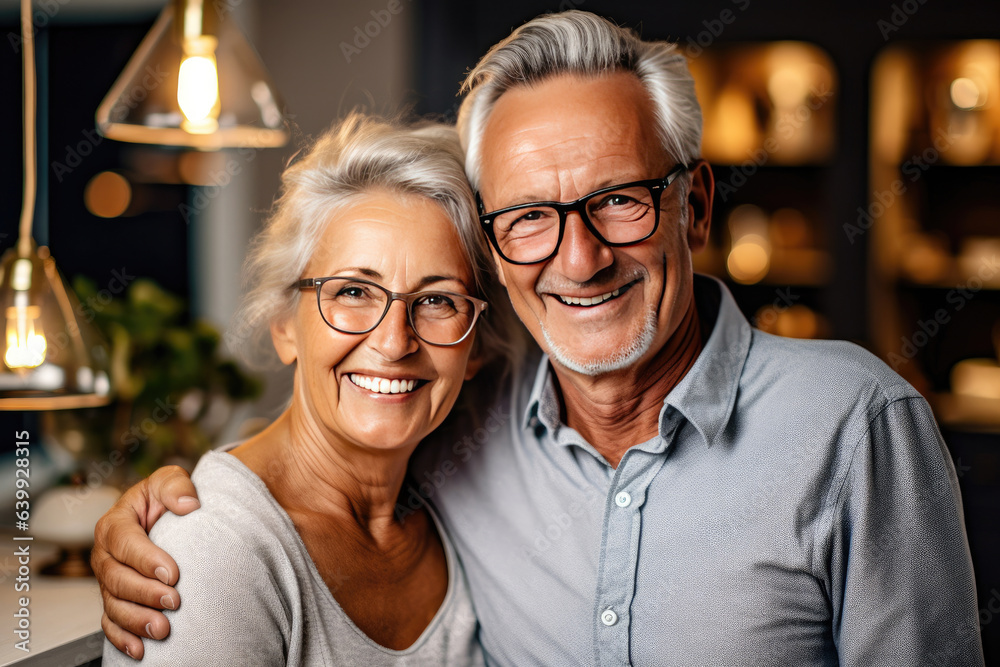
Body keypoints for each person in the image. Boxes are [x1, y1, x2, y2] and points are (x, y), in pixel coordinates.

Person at [94, 10, 985, 665]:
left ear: (697, 206)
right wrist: (160, 509)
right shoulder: (463, 428)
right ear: (499, 253)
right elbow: (310, 461)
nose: (580, 257)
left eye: (620, 199)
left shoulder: (853, 425)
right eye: (528, 217)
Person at [100, 111, 525, 664]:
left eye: (439, 300)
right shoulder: (212, 552)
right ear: (284, 326)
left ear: (476, 349)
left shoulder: (454, 498)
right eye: (352, 291)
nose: (395, 343)